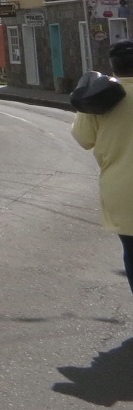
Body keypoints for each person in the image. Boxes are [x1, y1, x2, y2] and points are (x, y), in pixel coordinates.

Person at [70, 40, 133, 295]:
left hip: (122, 191)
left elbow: (84, 139)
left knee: (132, 252)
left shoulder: (100, 96)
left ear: (113, 66)